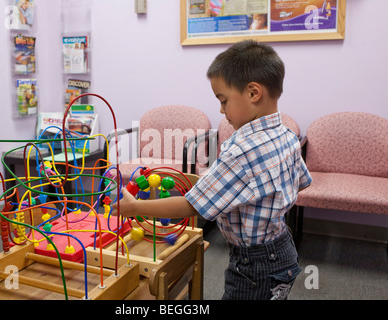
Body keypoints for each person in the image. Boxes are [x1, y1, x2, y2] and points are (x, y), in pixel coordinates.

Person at [112, 40, 312, 300]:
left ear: (253, 93)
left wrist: (136, 208)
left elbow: (191, 206)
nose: (221, 109)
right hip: (283, 248)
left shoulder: (241, 150)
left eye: (224, 100)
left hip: (254, 265)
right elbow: (300, 182)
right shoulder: (287, 135)